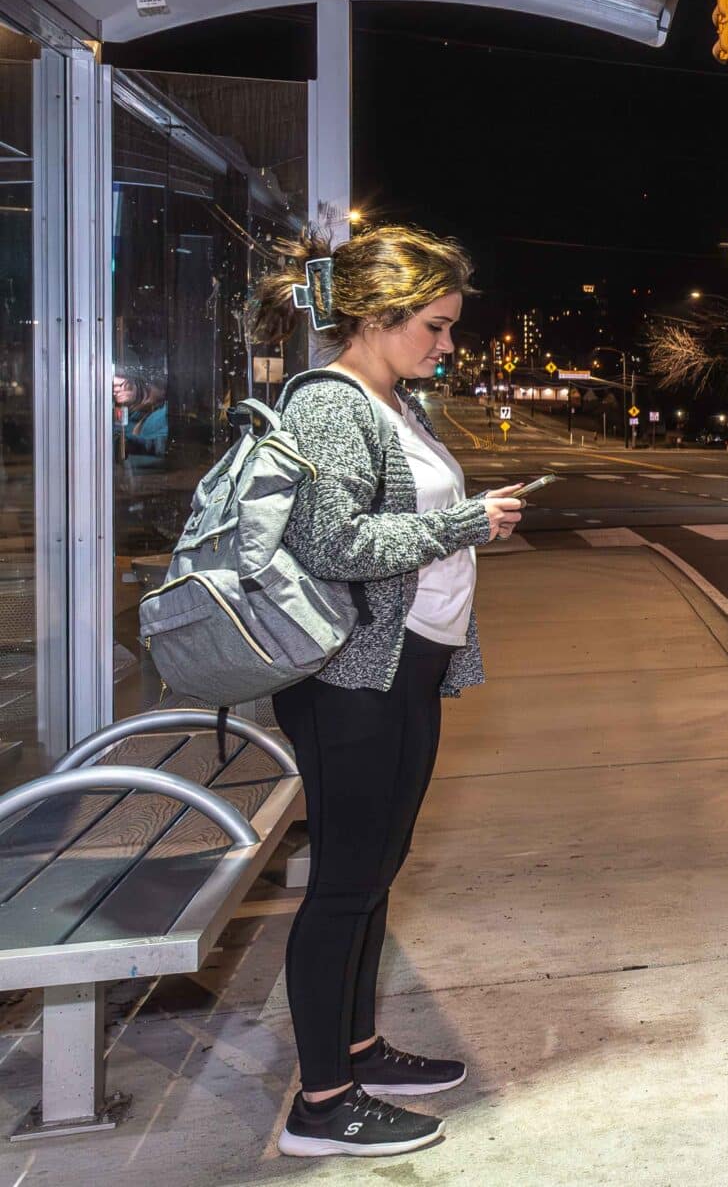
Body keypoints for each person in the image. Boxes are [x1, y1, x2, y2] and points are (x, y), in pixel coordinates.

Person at [245, 226, 527, 1158]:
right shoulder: (334, 404)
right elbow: (336, 546)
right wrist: (465, 524)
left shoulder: (393, 402)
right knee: (343, 885)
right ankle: (321, 1104)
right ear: (380, 314)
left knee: (373, 875)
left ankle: (357, 1050)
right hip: (351, 679)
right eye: (437, 327)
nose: (448, 345)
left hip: (401, 669)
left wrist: (459, 529)